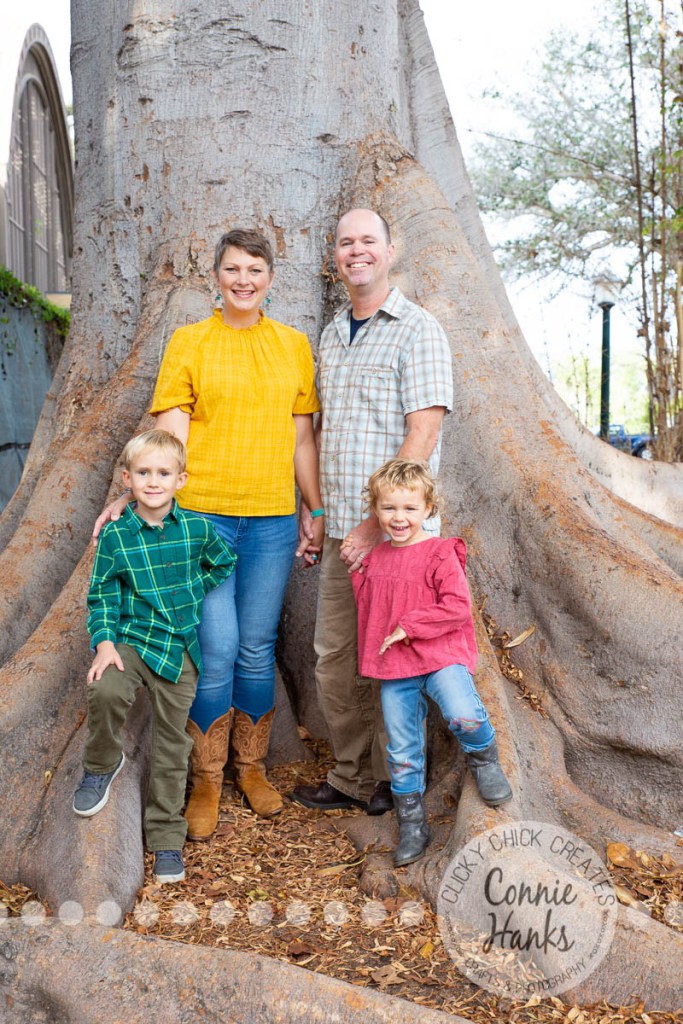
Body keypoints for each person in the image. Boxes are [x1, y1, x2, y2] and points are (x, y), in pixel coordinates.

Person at [93, 228, 324, 838]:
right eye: (232, 269)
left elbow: (302, 438)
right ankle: (206, 778)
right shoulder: (189, 342)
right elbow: (169, 437)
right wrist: (134, 492)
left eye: (255, 269)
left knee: (255, 647)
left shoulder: (294, 346)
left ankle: (250, 768)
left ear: (271, 278)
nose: (243, 280)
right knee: (216, 649)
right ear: (214, 277)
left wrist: (315, 508)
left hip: (273, 519)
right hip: (203, 521)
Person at [292, 208, 453, 816]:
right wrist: (322, 516)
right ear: (335, 257)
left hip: (398, 538)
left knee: (396, 659)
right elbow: (326, 435)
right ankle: (352, 775)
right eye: (345, 243)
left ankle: (398, 780)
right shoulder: (332, 335)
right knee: (335, 660)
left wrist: (370, 522)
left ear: (391, 249)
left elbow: (423, 435)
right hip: (341, 536)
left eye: (368, 241)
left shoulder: (419, 329)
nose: (356, 251)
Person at [73, 429, 237, 884]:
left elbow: (223, 563)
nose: (153, 481)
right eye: (143, 473)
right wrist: (104, 642)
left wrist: (193, 591)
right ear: (127, 478)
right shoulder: (116, 537)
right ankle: (100, 765)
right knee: (104, 688)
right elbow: (101, 595)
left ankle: (166, 837)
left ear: (180, 479)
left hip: (178, 649)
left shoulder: (198, 529)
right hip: (130, 641)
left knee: (171, 745)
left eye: (163, 473)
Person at [351, 458, 512, 866]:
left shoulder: (441, 553)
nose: (398, 517)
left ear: (428, 509)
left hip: (440, 656)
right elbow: (372, 608)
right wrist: (356, 573)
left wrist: (410, 625)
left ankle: (484, 759)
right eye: (388, 508)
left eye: (409, 508)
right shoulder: (376, 558)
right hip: (396, 669)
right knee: (402, 746)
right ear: (375, 509)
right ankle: (412, 824)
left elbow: (457, 607)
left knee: (463, 714)